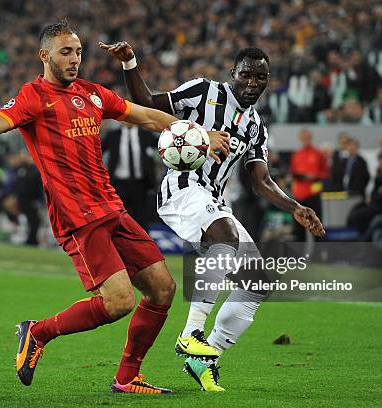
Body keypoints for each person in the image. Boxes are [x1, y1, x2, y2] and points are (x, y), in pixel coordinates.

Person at [0, 21, 229, 395]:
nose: (75, 60)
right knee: (119, 301)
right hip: (78, 217)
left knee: (163, 289)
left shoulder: (92, 94)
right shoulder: (32, 97)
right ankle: (37, 332)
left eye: (79, 52)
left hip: (112, 208)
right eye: (65, 52)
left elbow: (148, 116)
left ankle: (127, 378)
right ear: (45, 56)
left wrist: (200, 133)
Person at [101, 42, 324, 391]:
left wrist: (294, 206)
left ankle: (206, 358)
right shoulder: (205, 92)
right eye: (246, 75)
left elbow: (261, 180)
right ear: (233, 74)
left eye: (261, 77)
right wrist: (130, 62)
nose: (253, 82)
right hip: (182, 188)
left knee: (257, 282)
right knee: (225, 238)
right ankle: (191, 332)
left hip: (216, 201)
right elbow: (146, 101)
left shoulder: (255, 126)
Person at [102, 122, 159, 229]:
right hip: (118, 185)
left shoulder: (145, 135)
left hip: (141, 184)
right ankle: (121, 244)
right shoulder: (113, 135)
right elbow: (98, 151)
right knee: (119, 218)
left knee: (141, 218)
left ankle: (143, 244)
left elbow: (162, 147)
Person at [289, 128, 328, 241]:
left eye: (307, 137)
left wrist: (314, 176)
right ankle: (299, 257)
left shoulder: (317, 154)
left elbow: (325, 173)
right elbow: (292, 172)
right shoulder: (296, 155)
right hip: (298, 196)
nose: (305, 139)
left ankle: (320, 255)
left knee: (316, 225)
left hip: (313, 194)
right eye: (303, 137)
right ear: (300, 138)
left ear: (310, 138)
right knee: (299, 228)